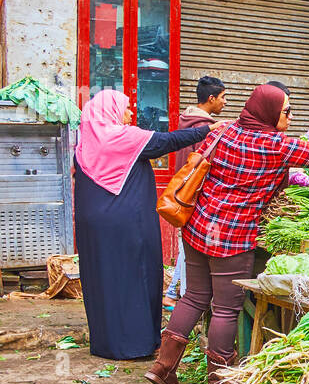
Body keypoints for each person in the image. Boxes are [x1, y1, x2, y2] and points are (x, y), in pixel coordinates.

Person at [146, 83, 309, 384]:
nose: (291, 118)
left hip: (197, 226)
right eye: (286, 111)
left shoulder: (221, 133)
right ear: (268, 113)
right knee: (226, 308)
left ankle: (162, 368)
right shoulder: (275, 145)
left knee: (194, 297)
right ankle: (221, 381)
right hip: (233, 235)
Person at [74, 90, 216, 360]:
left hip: (92, 226)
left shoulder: (85, 142)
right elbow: (167, 141)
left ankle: (107, 343)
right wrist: (208, 130)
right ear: (111, 111)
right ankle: (135, 344)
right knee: (135, 277)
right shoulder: (121, 137)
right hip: (126, 223)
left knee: (103, 279)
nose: (129, 114)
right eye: (125, 108)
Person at [166, 77, 229, 306]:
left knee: (187, 243)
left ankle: (174, 292)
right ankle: (178, 295)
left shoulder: (186, 121)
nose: (225, 102)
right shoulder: (204, 128)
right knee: (191, 245)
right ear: (211, 99)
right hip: (196, 195)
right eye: (223, 97)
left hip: (183, 193)